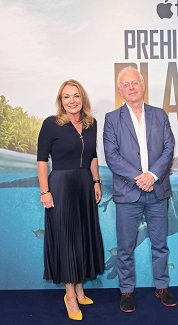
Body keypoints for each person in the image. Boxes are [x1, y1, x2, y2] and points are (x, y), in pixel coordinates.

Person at [103, 66, 177, 313]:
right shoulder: (112, 119)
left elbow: (168, 148)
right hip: (128, 192)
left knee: (160, 244)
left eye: (135, 82)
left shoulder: (159, 115)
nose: (131, 87)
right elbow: (111, 156)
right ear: (120, 90)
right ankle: (126, 291)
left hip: (157, 191)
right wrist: (139, 178)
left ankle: (162, 287)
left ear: (143, 84)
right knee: (125, 247)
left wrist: (153, 176)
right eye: (126, 84)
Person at [37, 79, 105, 321]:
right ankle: (69, 295)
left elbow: (93, 155)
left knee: (81, 237)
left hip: (84, 186)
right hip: (61, 187)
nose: (72, 101)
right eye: (67, 97)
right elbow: (42, 160)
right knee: (67, 239)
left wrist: (96, 182)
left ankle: (79, 287)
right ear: (61, 100)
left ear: (82, 99)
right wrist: (45, 192)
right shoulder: (51, 124)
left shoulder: (91, 124)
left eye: (76, 96)